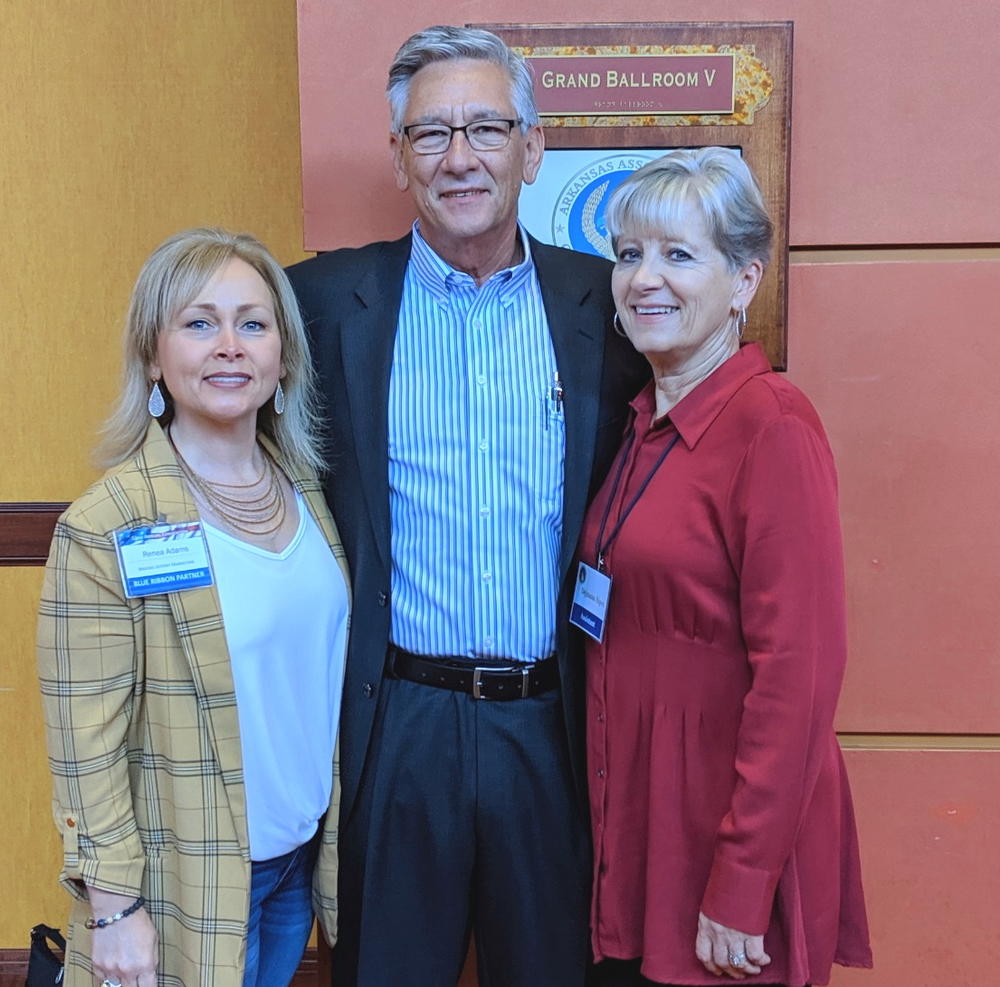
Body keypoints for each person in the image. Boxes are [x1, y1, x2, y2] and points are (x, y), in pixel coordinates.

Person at [287, 24, 647, 987]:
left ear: (533, 147)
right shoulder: (320, 304)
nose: (459, 158)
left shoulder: (607, 307)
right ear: (398, 156)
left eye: (485, 128)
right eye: (429, 133)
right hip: (399, 721)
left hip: (553, 722)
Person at [577, 148, 873, 986]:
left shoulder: (771, 426)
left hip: (724, 830)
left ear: (743, 280)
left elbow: (800, 678)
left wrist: (743, 881)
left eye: (678, 254)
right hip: (643, 825)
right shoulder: (640, 421)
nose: (645, 279)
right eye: (629, 254)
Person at [37, 228, 350, 987]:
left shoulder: (310, 493)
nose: (229, 346)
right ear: (154, 354)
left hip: (295, 867)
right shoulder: (107, 523)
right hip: (185, 883)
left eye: (253, 322)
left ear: (283, 354)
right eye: (199, 322)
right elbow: (85, 741)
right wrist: (112, 908)